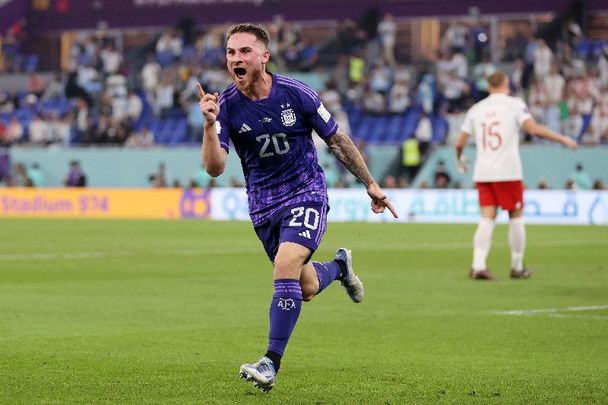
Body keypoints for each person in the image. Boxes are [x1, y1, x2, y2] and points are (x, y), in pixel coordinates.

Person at [197, 23, 397, 392]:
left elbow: (336, 140)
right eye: (230, 52)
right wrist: (210, 125)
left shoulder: (296, 94)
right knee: (302, 285)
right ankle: (338, 268)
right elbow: (213, 167)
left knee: (285, 266)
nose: (236, 58)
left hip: (306, 194)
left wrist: (370, 183)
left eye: (244, 51)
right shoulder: (224, 106)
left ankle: (270, 363)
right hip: (263, 207)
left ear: (264, 56)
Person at [454, 71, 577, 281]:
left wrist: (460, 160)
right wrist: (561, 138)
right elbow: (533, 129)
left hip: (483, 172)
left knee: (487, 218)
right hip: (507, 171)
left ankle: (478, 266)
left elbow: (459, 143)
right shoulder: (514, 104)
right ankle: (517, 267)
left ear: (488, 86)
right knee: (516, 217)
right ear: (506, 83)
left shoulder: (476, 109)